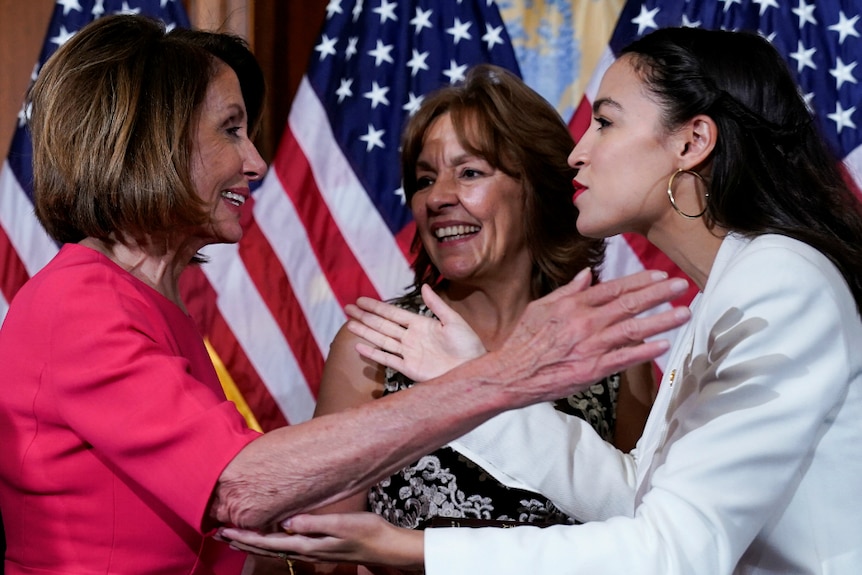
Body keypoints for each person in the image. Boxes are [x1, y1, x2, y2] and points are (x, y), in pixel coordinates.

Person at [0, 14, 692, 575]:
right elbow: (242, 489)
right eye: (231, 129)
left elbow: (254, 524)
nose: (257, 163)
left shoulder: (152, 305)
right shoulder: (81, 304)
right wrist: (502, 377)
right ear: (158, 141)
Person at [220, 26, 862, 574]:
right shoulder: (729, 290)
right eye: (425, 178)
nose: (578, 153)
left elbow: (675, 550)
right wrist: (471, 382)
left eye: (606, 123)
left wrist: (420, 551)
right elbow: (639, 492)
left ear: (693, 142)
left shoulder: (778, 282)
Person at [291, 64, 654, 574]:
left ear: (537, 189)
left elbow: (647, 535)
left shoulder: (609, 351)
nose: (437, 198)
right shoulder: (375, 346)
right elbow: (322, 557)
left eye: (469, 172)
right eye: (424, 179)